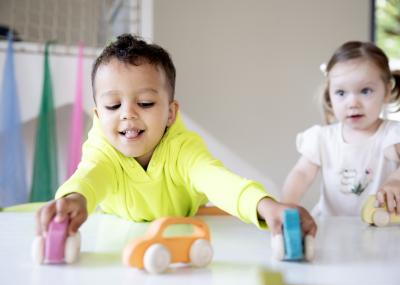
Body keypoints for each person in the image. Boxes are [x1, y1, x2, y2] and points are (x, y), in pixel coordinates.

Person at [36, 34, 316, 239]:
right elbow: (89, 176)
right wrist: (74, 199)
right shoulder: (103, 150)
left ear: (170, 113)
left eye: (145, 103)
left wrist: (266, 206)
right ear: (98, 115)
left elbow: (218, 181)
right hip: (118, 232)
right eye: (113, 106)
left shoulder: (182, 149)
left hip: (182, 231)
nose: (128, 114)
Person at [282, 41, 400, 217]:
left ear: (386, 91)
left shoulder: (392, 135)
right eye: (341, 93)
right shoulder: (322, 138)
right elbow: (302, 173)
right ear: (329, 95)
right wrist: (286, 205)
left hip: (381, 229)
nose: (353, 103)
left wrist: (395, 180)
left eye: (366, 91)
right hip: (330, 227)